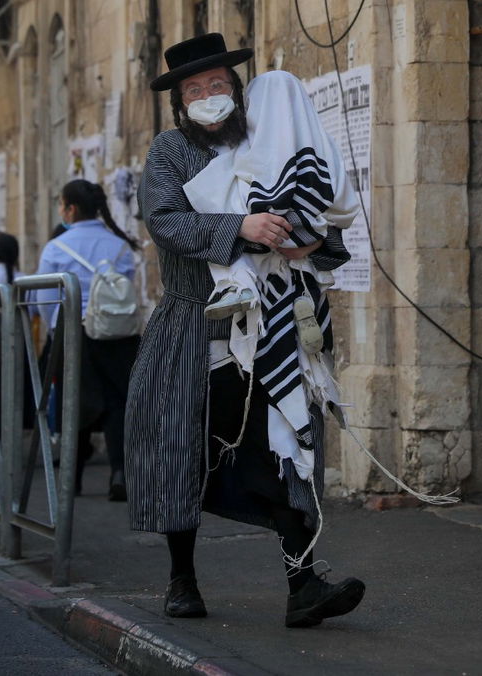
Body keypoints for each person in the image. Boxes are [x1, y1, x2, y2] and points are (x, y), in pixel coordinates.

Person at [127, 32, 363, 626]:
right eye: (194, 89)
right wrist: (241, 226)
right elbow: (165, 221)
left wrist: (313, 242)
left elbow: (319, 218)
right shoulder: (169, 151)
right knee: (183, 448)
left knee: (281, 445)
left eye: (218, 84)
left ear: (237, 89)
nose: (208, 95)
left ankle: (303, 585)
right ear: (180, 103)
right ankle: (181, 580)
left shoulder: (268, 139)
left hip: (273, 328)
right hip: (191, 327)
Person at [34, 180, 140, 501]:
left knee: (74, 403)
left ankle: (73, 478)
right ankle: (119, 472)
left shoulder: (56, 247)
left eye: (61, 204)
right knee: (117, 401)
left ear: (71, 209)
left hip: (73, 332)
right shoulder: (119, 246)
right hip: (116, 334)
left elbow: (44, 299)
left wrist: (54, 330)